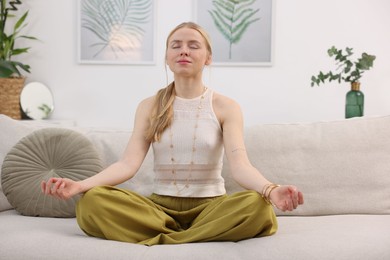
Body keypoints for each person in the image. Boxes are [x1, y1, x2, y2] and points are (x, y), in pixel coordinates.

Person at [41, 22, 304, 245]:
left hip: (212, 208)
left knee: (258, 208)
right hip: (159, 209)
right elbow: (127, 164)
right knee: (91, 203)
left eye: (193, 45)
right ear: (167, 56)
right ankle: (192, 237)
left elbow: (241, 166)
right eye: (176, 45)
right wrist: (81, 186)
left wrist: (271, 190)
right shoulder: (149, 105)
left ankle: (167, 239)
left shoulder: (226, 107)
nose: (184, 51)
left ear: (208, 57)